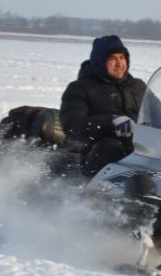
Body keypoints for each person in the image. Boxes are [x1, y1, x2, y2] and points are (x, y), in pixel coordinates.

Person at [60, 35, 147, 177]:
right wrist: (110, 122)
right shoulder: (80, 88)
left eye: (122, 57)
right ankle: (97, 194)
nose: (119, 63)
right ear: (100, 62)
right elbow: (72, 124)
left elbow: (159, 112)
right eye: (112, 58)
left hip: (138, 149)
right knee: (111, 146)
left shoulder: (138, 87)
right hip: (95, 155)